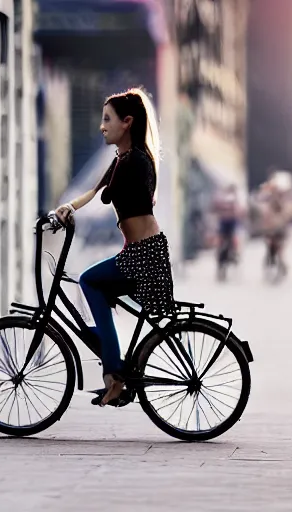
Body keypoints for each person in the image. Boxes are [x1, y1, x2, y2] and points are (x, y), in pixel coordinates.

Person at [55, 87, 176, 407]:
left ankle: (115, 375)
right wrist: (67, 207)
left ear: (128, 122)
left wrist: (80, 211)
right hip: (139, 252)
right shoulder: (124, 157)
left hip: (144, 254)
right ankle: (114, 363)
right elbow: (95, 192)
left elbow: (108, 195)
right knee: (99, 288)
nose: (101, 126)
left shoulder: (135, 160)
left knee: (89, 281)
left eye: (107, 119)